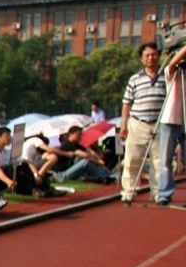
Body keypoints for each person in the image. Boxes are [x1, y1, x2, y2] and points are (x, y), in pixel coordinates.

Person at [118, 43, 166, 206]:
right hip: (138, 123)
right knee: (132, 159)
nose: (151, 58)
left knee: (158, 161)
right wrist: (124, 125)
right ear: (142, 59)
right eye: (147, 55)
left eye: (154, 55)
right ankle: (128, 192)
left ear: (159, 56)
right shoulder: (135, 79)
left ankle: (157, 193)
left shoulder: (166, 76)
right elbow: (127, 103)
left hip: (159, 123)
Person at [156, 44, 186, 206]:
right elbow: (173, 63)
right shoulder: (172, 73)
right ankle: (164, 194)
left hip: (185, 122)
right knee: (166, 160)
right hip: (170, 120)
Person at [45, 126, 113, 183]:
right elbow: (85, 155)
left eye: (81, 134)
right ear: (71, 134)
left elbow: (91, 153)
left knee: (91, 161)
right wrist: (98, 161)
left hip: (71, 170)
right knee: (85, 162)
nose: (80, 136)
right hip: (62, 174)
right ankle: (105, 176)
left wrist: (91, 152)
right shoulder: (67, 144)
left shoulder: (77, 144)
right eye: (78, 134)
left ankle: (109, 175)